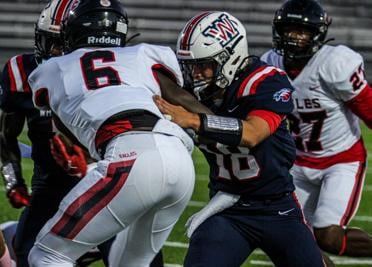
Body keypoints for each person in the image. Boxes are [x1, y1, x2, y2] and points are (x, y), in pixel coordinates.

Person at [27, 0, 206, 265]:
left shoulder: (53, 69)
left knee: (47, 254)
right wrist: (227, 128)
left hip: (131, 158)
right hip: (180, 161)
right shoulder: (142, 55)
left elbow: (67, 128)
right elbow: (189, 103)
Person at [154, 11, 325, 267]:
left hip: (278, 208)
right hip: (228, 208)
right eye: (191, 66)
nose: (195, 74)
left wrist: (194, 120)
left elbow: (252, 133)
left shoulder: (266, 81)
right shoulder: (190, 91)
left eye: (203, 65)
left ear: (230, 58)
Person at [260, 0, 372, 266]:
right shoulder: (270, 64)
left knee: (327, 235)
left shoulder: (334, 65)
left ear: (318, 35)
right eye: (289, 29)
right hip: (299, 163)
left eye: (302, 31)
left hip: (341, 160)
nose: (294, 37)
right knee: (288, 237)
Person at [0, 0, 114, 266]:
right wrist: (13, 180)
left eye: (63, 43)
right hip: (50, 183)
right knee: (28, 254)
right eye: (50, 41)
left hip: (104, 184)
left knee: (130, 257)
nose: (55, 51)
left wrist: (88, 166)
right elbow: (6, 135)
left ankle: (86, 246)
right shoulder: (20, 73)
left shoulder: (102, 76)